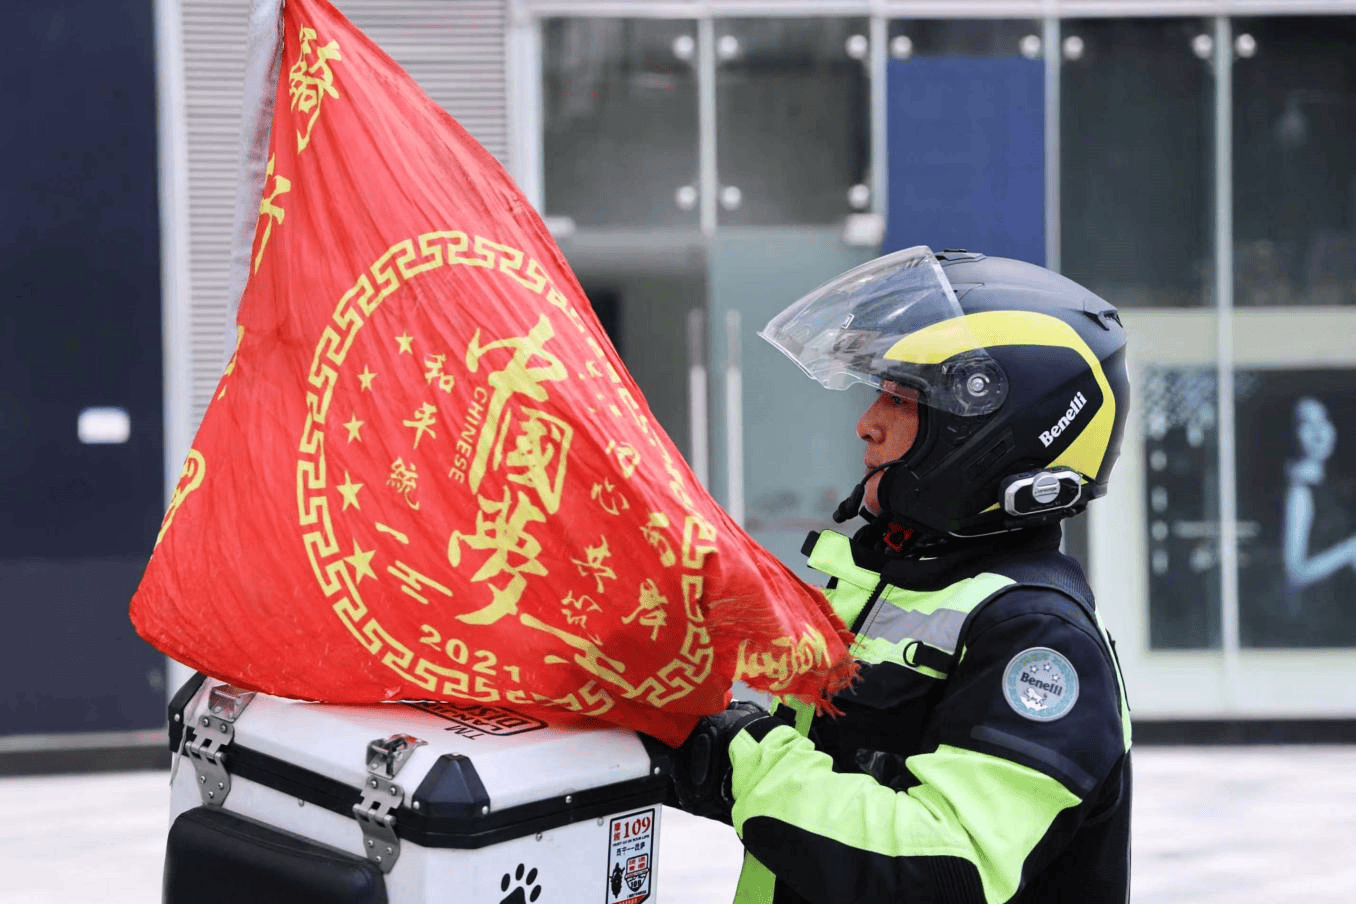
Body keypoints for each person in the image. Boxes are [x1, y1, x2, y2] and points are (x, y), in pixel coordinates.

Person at [664, 246, 1133, 903]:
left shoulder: (1037, 638)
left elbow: (947, 867)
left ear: (990, 427)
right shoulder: (894, 584)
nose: (867, 424)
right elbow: (826, 800)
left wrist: (741, 758)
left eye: (901, 398)